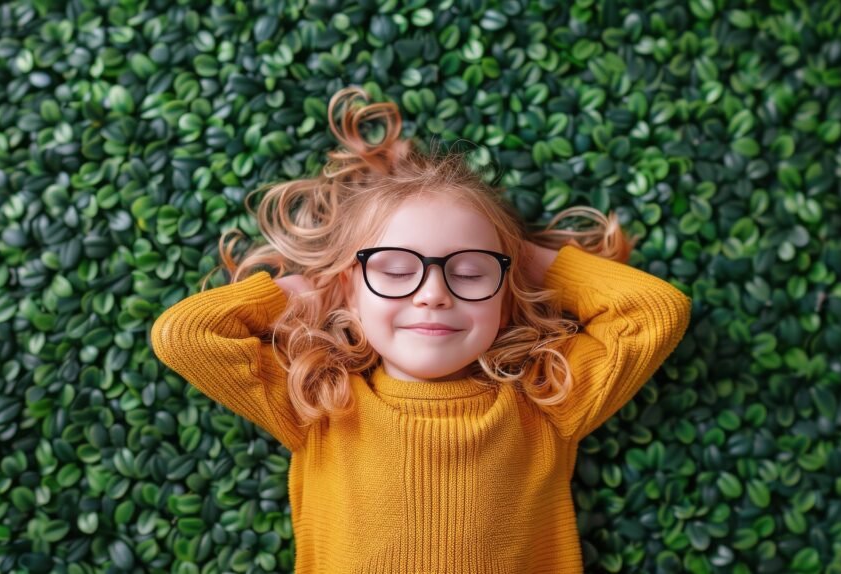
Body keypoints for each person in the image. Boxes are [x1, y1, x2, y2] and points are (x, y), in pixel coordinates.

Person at [149, 86, 692, 573]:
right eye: (394, 270)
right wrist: (317, 286)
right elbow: (186, 333)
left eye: (471, 270)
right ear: (350, 288)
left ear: (506, 297)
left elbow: (654, 310)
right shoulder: (317, 401)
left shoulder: (549, 396)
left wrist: (523, 257)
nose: (433, 292)